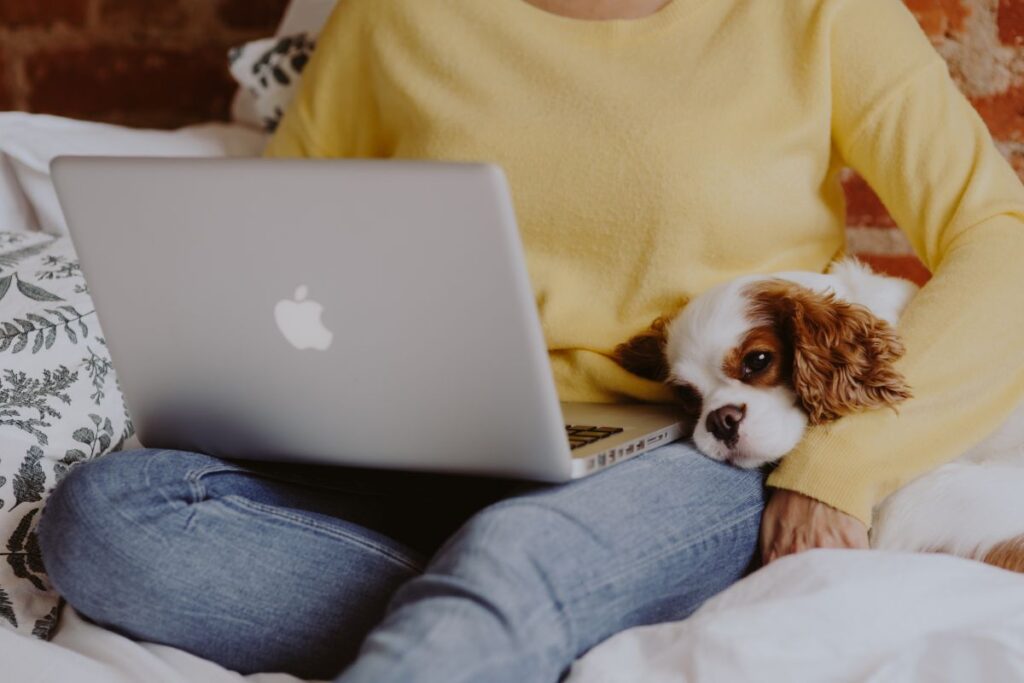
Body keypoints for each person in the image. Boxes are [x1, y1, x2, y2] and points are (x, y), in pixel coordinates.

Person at [36, 0, 1024, 681]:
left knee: (517, 549)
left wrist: (840, 465)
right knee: (107, 517)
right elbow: (291, 238)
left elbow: (999, 240)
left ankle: (515, 590)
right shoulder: (393, 15)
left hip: (680, 450)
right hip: (435, 430)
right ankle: (516, 609)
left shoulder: (817, 14)